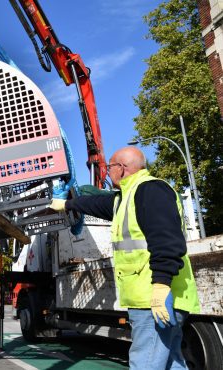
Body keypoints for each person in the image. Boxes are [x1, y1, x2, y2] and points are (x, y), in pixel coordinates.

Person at [50, 146, 199, 370]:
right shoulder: (126, 197)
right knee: (171, 363)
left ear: (121, 168)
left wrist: (161, 285)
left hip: (154, 300)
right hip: (154, 299)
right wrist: (67, 204)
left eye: (110, 167)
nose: (108, 172)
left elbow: (166, 241)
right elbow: (98, 204)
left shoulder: (151, 190)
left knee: (145, 364)